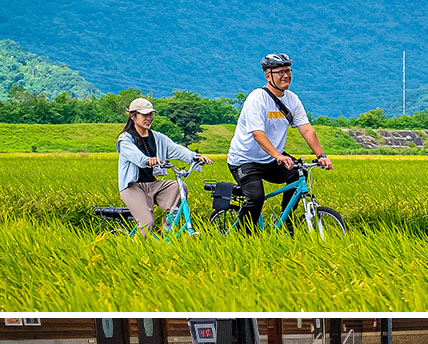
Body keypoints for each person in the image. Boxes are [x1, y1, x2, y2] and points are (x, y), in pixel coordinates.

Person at [226, 53, 333, 230]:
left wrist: (321, 155)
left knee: (299, 174)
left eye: (288, 71)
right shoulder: (256, 98)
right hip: (245, 160)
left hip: (271, 158)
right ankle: (243, 237)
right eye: (280, 72)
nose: (286, 75)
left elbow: (306, 128)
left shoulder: (292, 99)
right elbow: (258, 134)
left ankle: (285, 222)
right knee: (256, 197)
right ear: (268, 76)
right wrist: (278, 155)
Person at [116, 97, 213, 236]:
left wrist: (195, 157)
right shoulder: (125, 139)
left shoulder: (157, 138)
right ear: (133, 116)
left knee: (180, 188)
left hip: (153, 184)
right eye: (144, 115)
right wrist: (148, 160)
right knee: (146, 222)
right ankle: (136, 249)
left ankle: (165, 230)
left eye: (151, 114)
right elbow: (135, 156)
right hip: (133, 187)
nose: (149, 118)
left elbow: (176, 149)